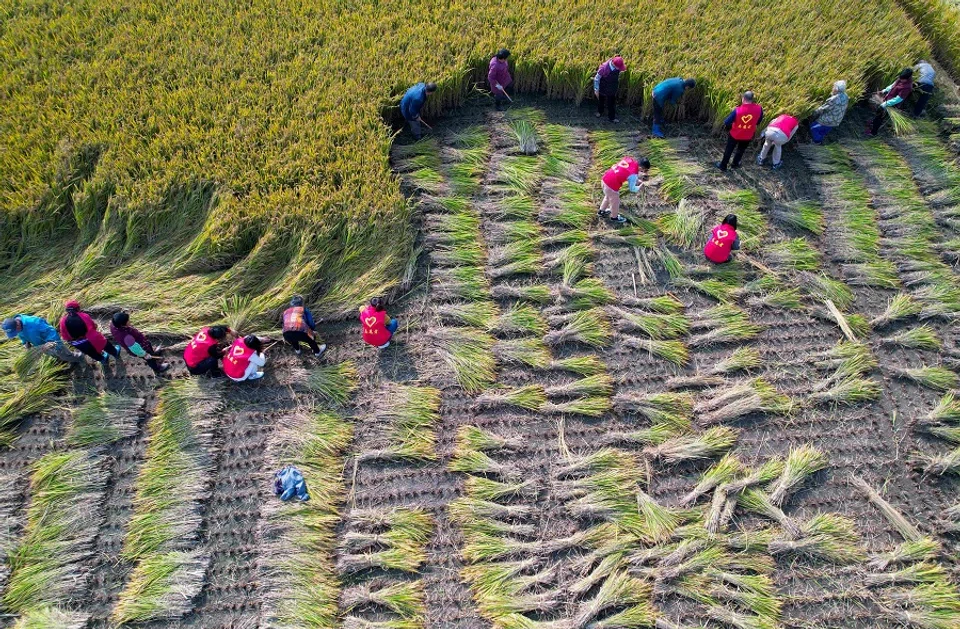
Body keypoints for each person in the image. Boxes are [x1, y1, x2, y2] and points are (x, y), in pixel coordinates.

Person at [58, 300, 121, 366]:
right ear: (78, 308)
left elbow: (65, 336)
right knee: (105, 345)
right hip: (92, 338)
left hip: (78, 343)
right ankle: (115, 353)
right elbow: (93, 326)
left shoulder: (62, 320)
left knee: (91, 352)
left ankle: (103, 360)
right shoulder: (84, 316)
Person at [2, 314, 80, 362]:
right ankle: (63, 359)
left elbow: (51, 331)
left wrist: (50, 344)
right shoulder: (17, 327)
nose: (16, 333)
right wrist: (25, 343)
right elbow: (22, 336)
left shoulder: (34, 322)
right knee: (55, 356)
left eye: (15, 331)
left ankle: (78, 358)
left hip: (52, 344)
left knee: (64, 354)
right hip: (41, 347)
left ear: (17, 325)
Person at [717, 91, 763, 171]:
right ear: (752, 99)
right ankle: (735, 164)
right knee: (741, 150)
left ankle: (723, 166)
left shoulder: (738, 110)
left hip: (735, 134)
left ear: (743, 99)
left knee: (729, 150)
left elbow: (726, 122)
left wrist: (732, 126)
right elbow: (758, 121)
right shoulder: (759, 109)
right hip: (748, 135)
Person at [598, 156, 651, 225]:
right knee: (615, 202)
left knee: (608, 197)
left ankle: (601, 211)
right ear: (641, 168)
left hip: (605, 179)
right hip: (611, 186)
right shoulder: (633, 175)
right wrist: (641, 186)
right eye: (644, 170)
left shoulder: (629, 160)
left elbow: (624, 172)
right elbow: (633, 189)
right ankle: (614, 218)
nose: (644, 172)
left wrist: (637, 181)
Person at [868, 68, 913, 137]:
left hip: (892, 104)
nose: (900, 80)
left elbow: (899, 99)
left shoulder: (907, 87)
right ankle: (873, 123)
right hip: (887, 99)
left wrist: (885, 104)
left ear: (907, 78)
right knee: (878, 114)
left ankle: (873, 132)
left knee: (880, 117)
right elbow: (893, 85)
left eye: (902, 79)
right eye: (900, 78)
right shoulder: (901, 78)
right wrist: (884, 91)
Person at [594, 56, 626, 123]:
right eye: (619, 68)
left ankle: (612, 118)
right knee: (601, 101)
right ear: (614, 64)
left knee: (611, 104)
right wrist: (596, 89)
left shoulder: (617, 66)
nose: (619, 69)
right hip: (603, 87)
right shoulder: (604, 68)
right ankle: (600, 112)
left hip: (612, 88)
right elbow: (597, 79)